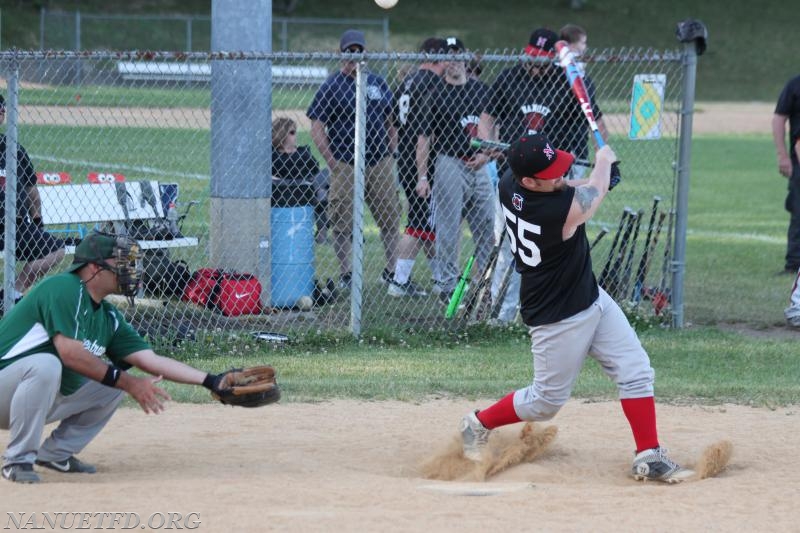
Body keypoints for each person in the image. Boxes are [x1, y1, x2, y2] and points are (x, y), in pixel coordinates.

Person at [458, 132, 691, 483]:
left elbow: (572, 188)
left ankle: (648, 453)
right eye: (551, 172)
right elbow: (587, 196)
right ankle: (478, 423)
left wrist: (600, 178)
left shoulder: (510, 184)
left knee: (636, 370)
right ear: (530, 181)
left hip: (588, 295)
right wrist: (603, 164)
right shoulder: (555, 212)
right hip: (557, 315)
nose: (561, 175)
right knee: (545, 403)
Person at [0, 232, 248, 483]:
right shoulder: (63, 288)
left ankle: (55, 454)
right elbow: (71, 354)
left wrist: (210, 380)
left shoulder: (108, 317)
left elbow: (151, 360)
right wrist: (129, 383)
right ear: (94, 267)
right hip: (6, 390)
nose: (130, 270)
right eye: (122, 263)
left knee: (112, 384)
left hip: (31, 398)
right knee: (49, 364)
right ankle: (18, 461)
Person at [478, 28, 608, 323]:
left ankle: (554, 309)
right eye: (531, 57)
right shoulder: (509, 77)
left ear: (553, 59)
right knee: (507, 244)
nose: (533, 64)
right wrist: (489, 146)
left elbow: (596, 122)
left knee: (557, 248)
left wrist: (599, 159)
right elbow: (487, 118)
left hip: (557, 177)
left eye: (541, 60)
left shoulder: (571, 81)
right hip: (516, 176)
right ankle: (502, 314)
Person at [307, 29, 401, 290]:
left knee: (390, 217)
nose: (354, 57)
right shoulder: (332, 85)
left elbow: (390, 120)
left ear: (364, 54)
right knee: (342, 220)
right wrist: (332, 161)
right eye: (349, 51)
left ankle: (391, 271)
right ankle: (347, 273)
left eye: (358, 51)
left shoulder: (377, 83)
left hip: (379, 160)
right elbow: (316, 126)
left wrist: (392, 151)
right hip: (345, 163)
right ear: (341, 54)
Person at [417, 36, 494, 303]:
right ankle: (448, 285)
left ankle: (483, 281)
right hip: (449, 162)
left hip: (480, 164)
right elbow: (424, 139)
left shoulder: (481, 90)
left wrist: (487, 154)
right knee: (449, 229)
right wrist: (423, 176)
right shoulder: (435, 93)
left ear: (465, 58)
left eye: (458, 55)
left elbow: (493, 127)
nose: (454, 61)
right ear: (444, 62)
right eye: (449, 56)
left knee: (487, 225)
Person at [387, 37, 448, 298]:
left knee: (427, 223)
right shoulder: (433, 84)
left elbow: (392, 119)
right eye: (445, 57)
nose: (448, 63)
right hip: (424, 161)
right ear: (437, 59)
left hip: (406, 158)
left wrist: (398, 149)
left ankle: (438, 278)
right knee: (419, 223)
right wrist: (424, 172)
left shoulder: (407, 81)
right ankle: (399, 282)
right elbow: (428, 130)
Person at [0, 94, 65, 310]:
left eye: (1, 112)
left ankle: (11, 295)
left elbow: (32, 191)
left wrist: (37, 224)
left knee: (57, 250)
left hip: (16, 227)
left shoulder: (13, 150)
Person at [271, 117, 329, 244]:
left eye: (295, 132)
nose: (295, 136)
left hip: (306, 192)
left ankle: (322, 233)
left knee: (326, 178)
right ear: (281, 134)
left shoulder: (303, 152)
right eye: (292, 133)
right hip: (282, 195)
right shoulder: (272, 155)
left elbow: (314, 168)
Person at [772, 74, 800, 274]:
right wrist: (783, 156)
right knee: (799, 211)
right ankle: (794, 264)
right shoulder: (795, 85)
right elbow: (779, 119)